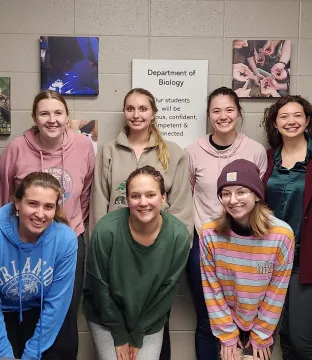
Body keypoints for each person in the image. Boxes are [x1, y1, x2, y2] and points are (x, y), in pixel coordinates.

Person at [89, 87, 193, 359]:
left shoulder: (173, 152)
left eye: (143, 108)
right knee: (112, 310)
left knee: (153, 318)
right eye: (130, 108)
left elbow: (181, 206)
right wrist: (99, 247)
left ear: (154, 113)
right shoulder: (109, 150)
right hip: (117, 250)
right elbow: (99, 199)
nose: (136, 115)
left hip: (156, 252)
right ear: (124, 113)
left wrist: (174, 253)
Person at [0, 90, 95, 358]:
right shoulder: (17, 147)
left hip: (69, 238)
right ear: (34, 118)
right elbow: (6, 195)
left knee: (64, 310)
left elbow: (86, 192)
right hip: (25, 240)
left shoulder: (84, 146)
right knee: (27, 305)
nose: (51, 119)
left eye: (57, 113)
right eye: (44, 113)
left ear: (67, 116)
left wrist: (67, 225)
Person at [186, 87, 267, 360]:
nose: (223, 116)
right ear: (209, 116)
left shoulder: (255, 151)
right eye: (216, 111)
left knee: (243, 318)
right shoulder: (193, 152)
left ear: (239, 113)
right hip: (205, 243)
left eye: (229, 109)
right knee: (208, 318)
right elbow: (186, 195)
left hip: (247, 242)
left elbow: (260, 199)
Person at [0, 172, 78, 360]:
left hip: (37, 307)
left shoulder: (65, 240)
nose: (40, 214)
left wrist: (32, 355)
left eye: (48, 206)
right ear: (17, 203)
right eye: (33, 204)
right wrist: (4, 356)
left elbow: (57, 304)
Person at [83, 165, 190, 360]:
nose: (143, 202)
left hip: (148, 318)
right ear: (127, 199)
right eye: (135, 196)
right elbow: (99, 287)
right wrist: (120, 335)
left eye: (151, 195)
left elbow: (167, 292)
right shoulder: (106, 231)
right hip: (106, 316)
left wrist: (138, 333)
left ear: (163, 197)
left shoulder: (179, 235)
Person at [200, 159, 294, 360]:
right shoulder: (210, 232)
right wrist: (227, 335)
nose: (232, 200)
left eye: (241, 192)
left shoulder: (281, 235)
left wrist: (261, 335)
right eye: (226, 194)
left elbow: (276, 292)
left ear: (257, 195)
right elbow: (212, 289)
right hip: (226, 317)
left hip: (264, 316)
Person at [262, 95, 312, 360]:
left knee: (303, 340)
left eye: (297, 115)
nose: (291, 121)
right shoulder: (268, 158)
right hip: (272, 258)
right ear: (275, 123)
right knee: (283, 338)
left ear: (307, 121)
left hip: (305, 258)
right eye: (284, 116)